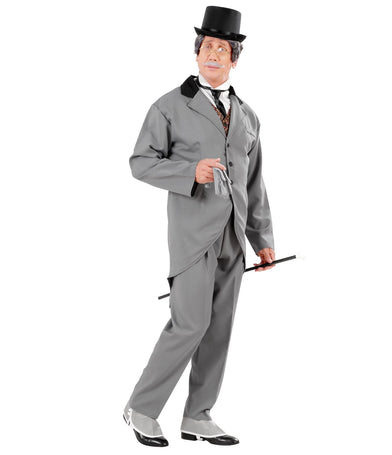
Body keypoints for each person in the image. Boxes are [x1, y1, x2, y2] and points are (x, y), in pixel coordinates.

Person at [123, 6, 275, 447]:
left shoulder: (248, 116)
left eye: (222, 49)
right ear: (196, 54)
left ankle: (198, 416)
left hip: (234, 237)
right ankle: (141, 408)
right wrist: (191, 171)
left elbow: (254, 182)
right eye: (207, 47)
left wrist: (263, 240)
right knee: (190, 324)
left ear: (234, 59)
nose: (213, 55)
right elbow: (141, 162)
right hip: (193, 236)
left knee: (219, 328)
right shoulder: (169, 107)